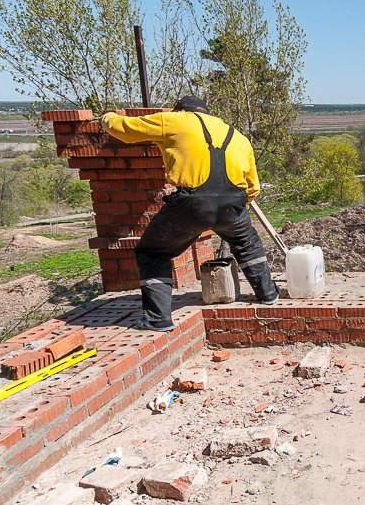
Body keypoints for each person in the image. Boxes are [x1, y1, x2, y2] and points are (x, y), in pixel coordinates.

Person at [100, 96, 279, 330]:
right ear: (207, 112)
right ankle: (268, 295)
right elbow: (253, 186)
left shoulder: (175, 120)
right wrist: (232, 208)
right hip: (233, 204)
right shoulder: (238, 136)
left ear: (181, 110)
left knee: (152, 252)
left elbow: (125, 129)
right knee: (248, 243)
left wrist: (106, 118)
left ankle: (158, 319)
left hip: (192, 204)